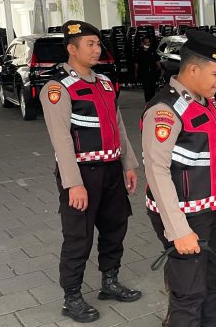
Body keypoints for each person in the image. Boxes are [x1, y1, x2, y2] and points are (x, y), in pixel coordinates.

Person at [41, 20, 141, 323]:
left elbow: (118, 126)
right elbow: (60, 139)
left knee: (115, 228)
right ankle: (71, 297)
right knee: (78, 237)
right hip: (82, 174)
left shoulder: (105, 84)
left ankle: (109, 282)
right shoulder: (57, 88)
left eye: (98, 44)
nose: (98, 49)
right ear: (72, 49)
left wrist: (129, 164)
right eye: (90, 45)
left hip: (111, 170)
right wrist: (74, 184)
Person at [142, 29, 216, 327]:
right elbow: (156, 171)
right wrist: (178, 230)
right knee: (189, 292)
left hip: (207, 209)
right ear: (193, 69)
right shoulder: (165, 111)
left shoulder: (206, 102)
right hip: (182, 215)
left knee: (213, 280)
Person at [135, 36, 162, 102]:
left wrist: (159, 71)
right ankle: (147, 103)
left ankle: (152, 102)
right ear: (142, 43)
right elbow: (136, 64)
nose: (147, 44)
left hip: (152, 73)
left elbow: (158, 63)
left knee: (152, 89)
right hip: (144, 73)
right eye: (145, 42)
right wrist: (135, 73)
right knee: (146, 89)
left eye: (148, 42)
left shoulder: (152, 51)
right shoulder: (139, 52)